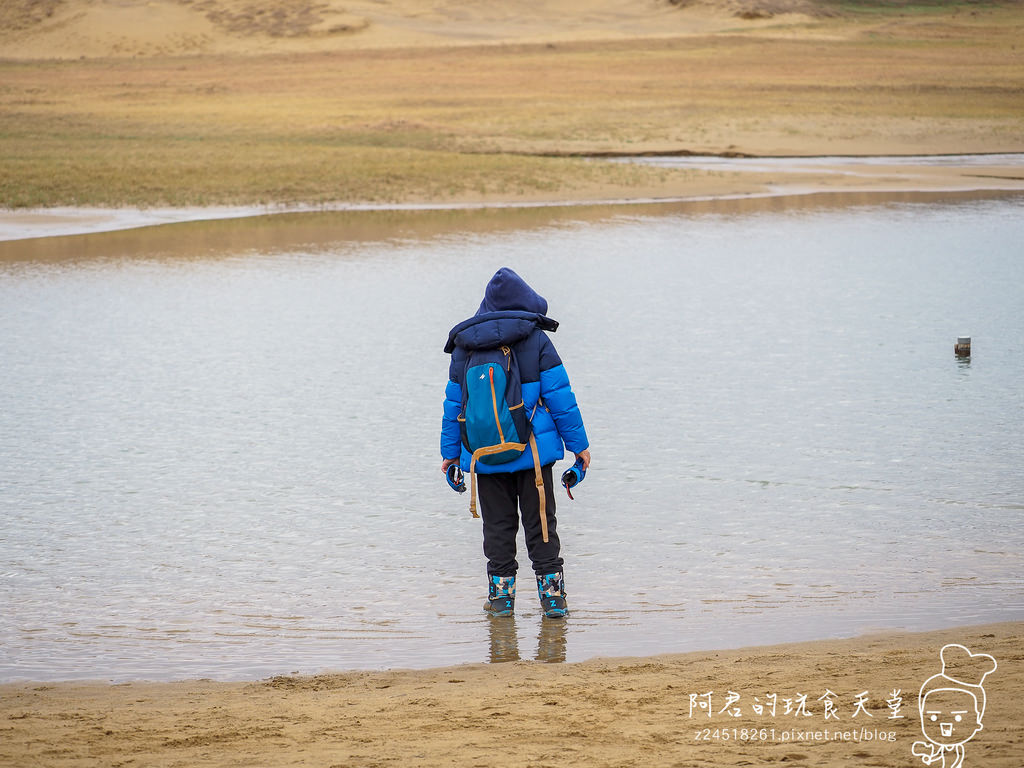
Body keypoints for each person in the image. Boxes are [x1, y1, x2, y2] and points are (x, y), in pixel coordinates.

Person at [440, 267, 590, 619]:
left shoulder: (464, 346)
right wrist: (578, 447)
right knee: (541, 525)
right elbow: (559, 397)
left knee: (497, 527)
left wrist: (449, 455)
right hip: (532, 455)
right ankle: (553, 601)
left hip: (483, 455)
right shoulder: (536, 339)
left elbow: (453, 406)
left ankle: (501, 603)